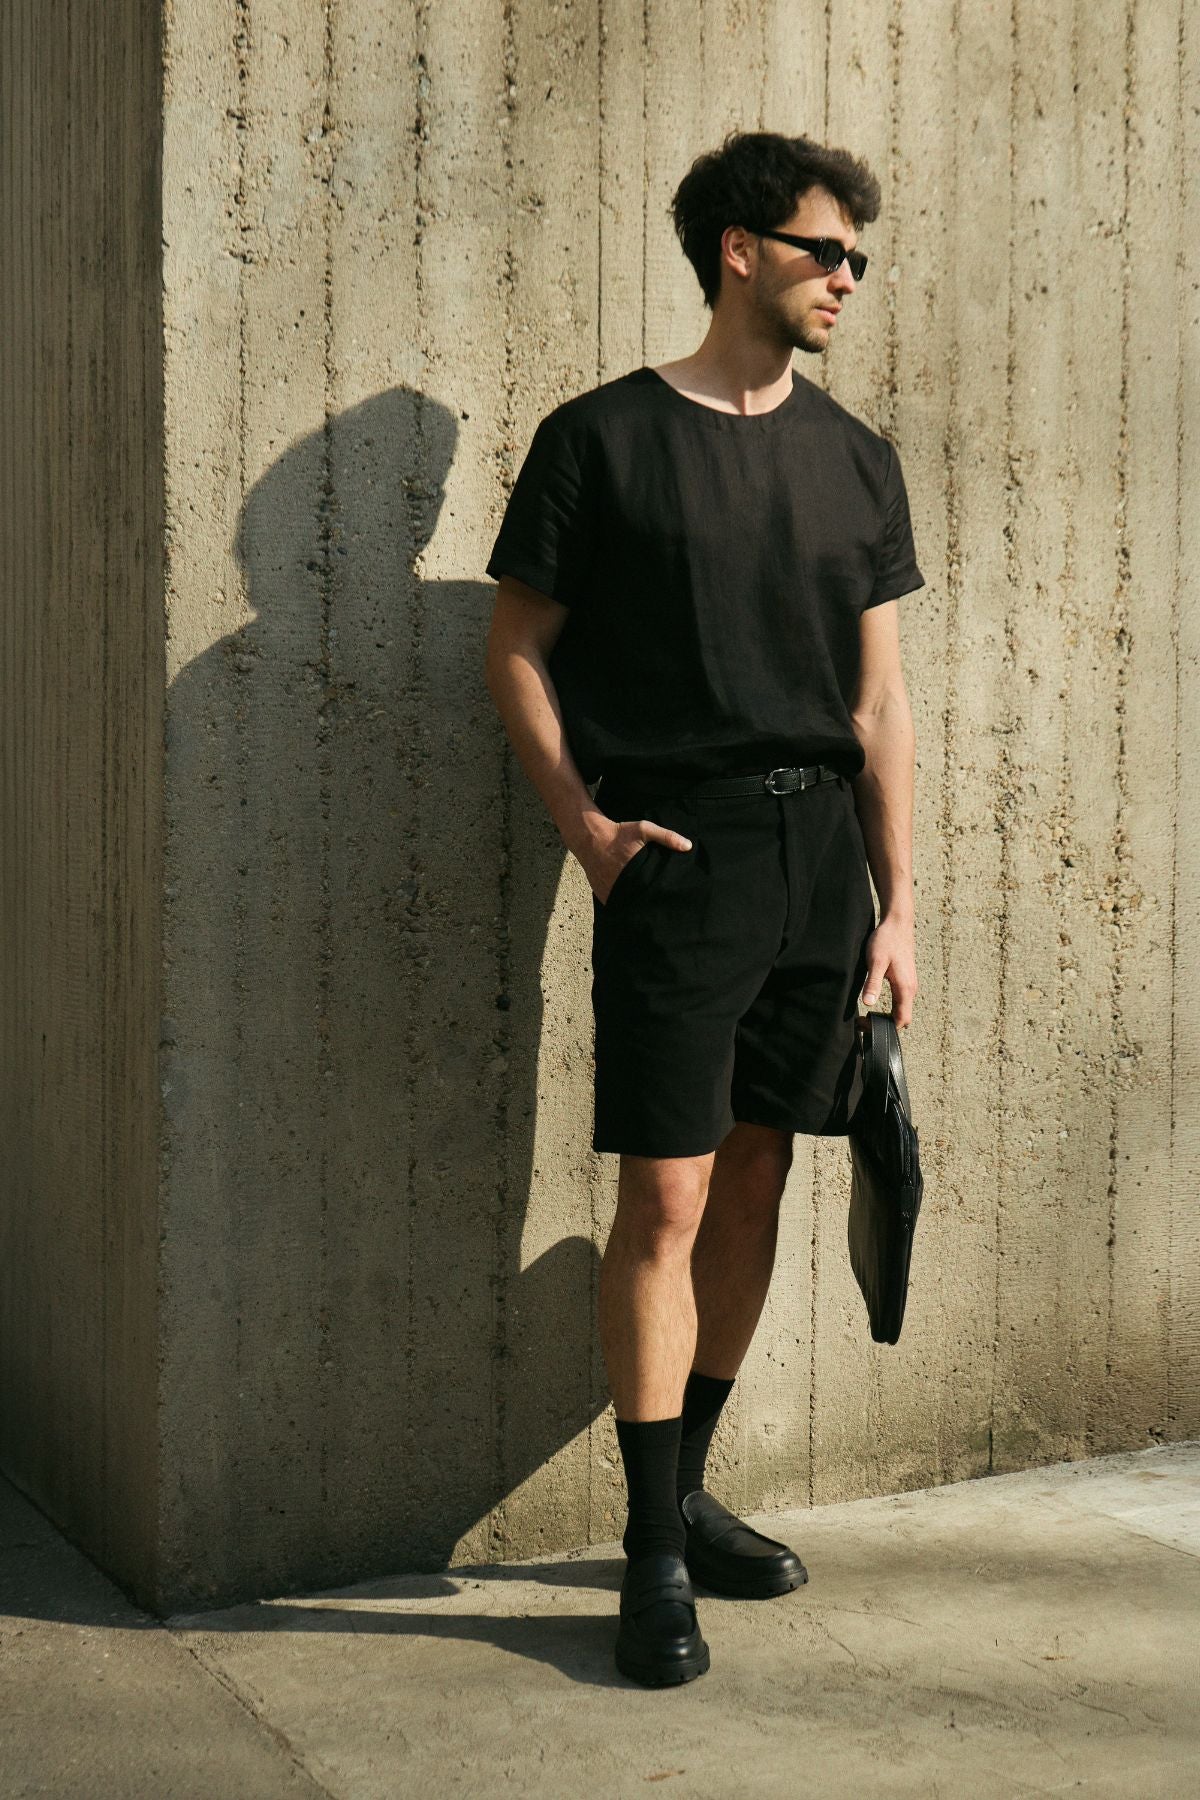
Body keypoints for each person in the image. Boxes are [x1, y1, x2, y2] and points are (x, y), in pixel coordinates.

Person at [482, 128, 923, 1687]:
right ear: (740, 250)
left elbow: (879, 704)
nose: (847, 277)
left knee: (757, 1183)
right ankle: (652, 1555)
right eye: (824, 250)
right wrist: (589, 830)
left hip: (823, 869)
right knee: (665, 1201)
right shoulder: (600, 440)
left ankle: (683, 1498)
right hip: (683, 851)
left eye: (859, 257)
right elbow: (515, 646)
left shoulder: (857, 458)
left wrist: (898, 909)